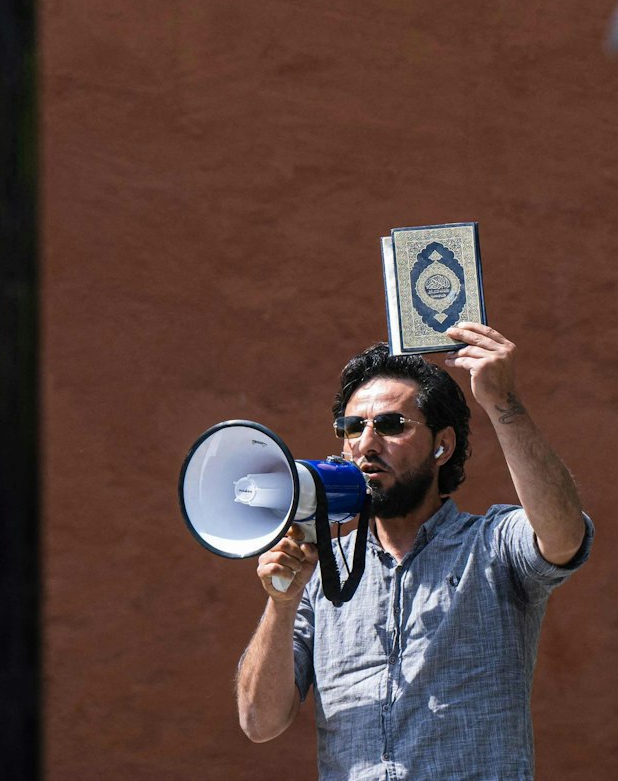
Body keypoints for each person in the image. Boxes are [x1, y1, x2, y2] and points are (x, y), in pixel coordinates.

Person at [233, 324, 592, 781]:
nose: (366, 443)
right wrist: (281, 604)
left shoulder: (491, 545)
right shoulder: (321, 569)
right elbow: (259, 722)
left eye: (390, 425)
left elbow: (563, 536)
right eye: (352, 427)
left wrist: (503, 402)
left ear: (442, 445)